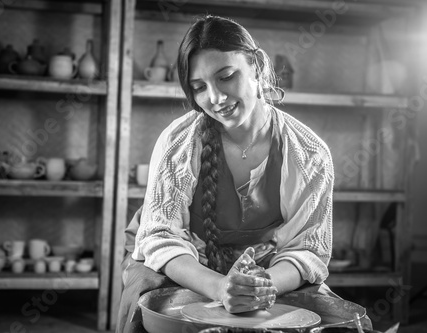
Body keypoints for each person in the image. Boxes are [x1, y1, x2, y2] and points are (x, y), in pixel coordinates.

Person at [117, 15, 339, 333]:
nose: (216, 98)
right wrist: (221, 288)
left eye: (226, 77)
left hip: (262, 265)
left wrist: (261, 286)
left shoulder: (308, 153)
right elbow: (161, 237)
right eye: (199, 88)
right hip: (179, 258)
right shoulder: (179, 142)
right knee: (150, 301)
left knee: (327, 315)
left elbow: (307, 249)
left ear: (257, 66)